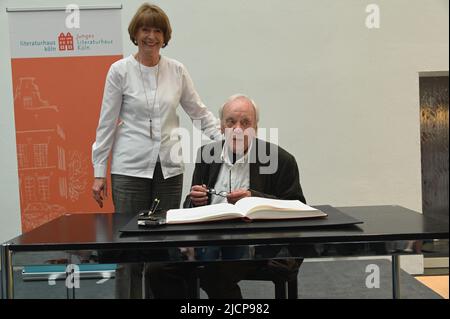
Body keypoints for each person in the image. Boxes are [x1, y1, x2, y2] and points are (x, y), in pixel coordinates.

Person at [91, 3, 221, 299]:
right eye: (145, 29)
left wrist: (224, 141)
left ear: (165, 36)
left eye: (157, 30)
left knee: (164, 247)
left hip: (169, 169)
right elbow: (106, 123)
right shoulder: (119, 71)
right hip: (129, 169)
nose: (151, 36)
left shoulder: (177, 70)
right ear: (135, 34)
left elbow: (198, 112)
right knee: (129, 249)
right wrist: (99, 172)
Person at [148, 94, 306, 298]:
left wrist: (253, 197)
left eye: (245, 123)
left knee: (214, 274)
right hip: (208, 242)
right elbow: (190, 206)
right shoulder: (206, 154)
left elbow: (297, 206)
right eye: (231, 122)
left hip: (255, 245)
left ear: (255, 128)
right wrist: (196, 200)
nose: (238, 129)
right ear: (221, 127)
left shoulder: (280, 160)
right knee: (158, 269)